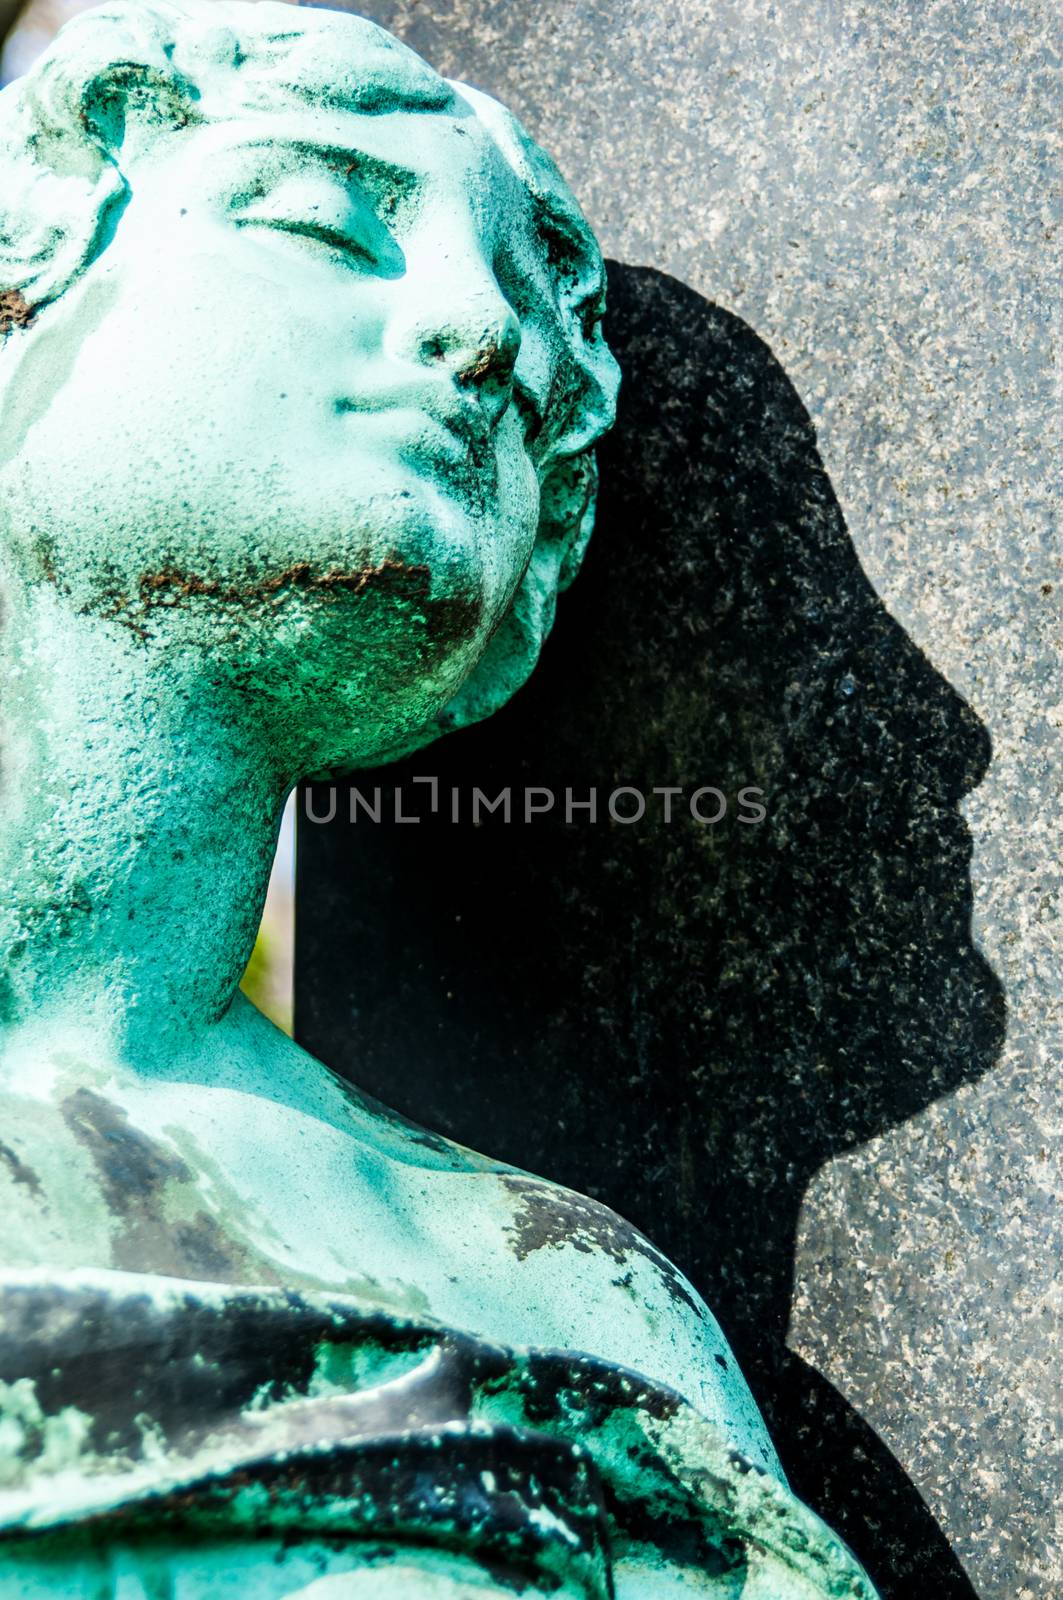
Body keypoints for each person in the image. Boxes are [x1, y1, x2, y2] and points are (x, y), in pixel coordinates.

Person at [0, 5, 876, 1594]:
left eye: (545, 393)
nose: (486, 341)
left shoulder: (576, 1305)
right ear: (17, 289)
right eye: (321, 219)